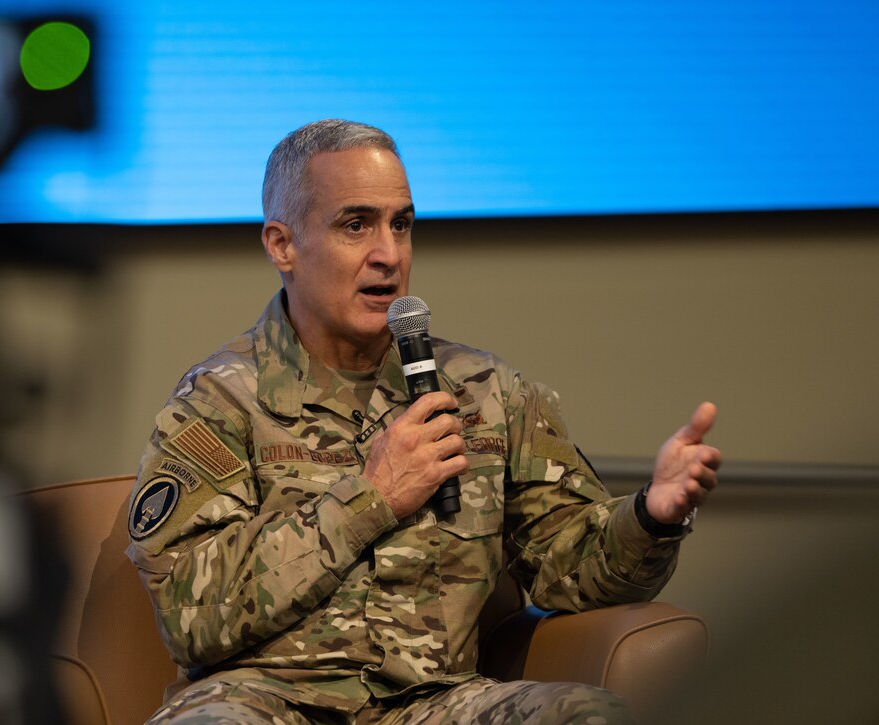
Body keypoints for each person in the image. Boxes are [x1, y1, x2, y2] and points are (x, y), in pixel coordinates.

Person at [125, 119, 721, 724]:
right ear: (282, 245)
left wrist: (650, 516)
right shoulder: (220, 401)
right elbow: (190, 616)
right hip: (265, 703)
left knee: (588, 715)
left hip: (431, 706)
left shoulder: (486, 392)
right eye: (356, 225)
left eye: (401, 224)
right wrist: (373, 496)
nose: (388, 254)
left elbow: (568, 568)